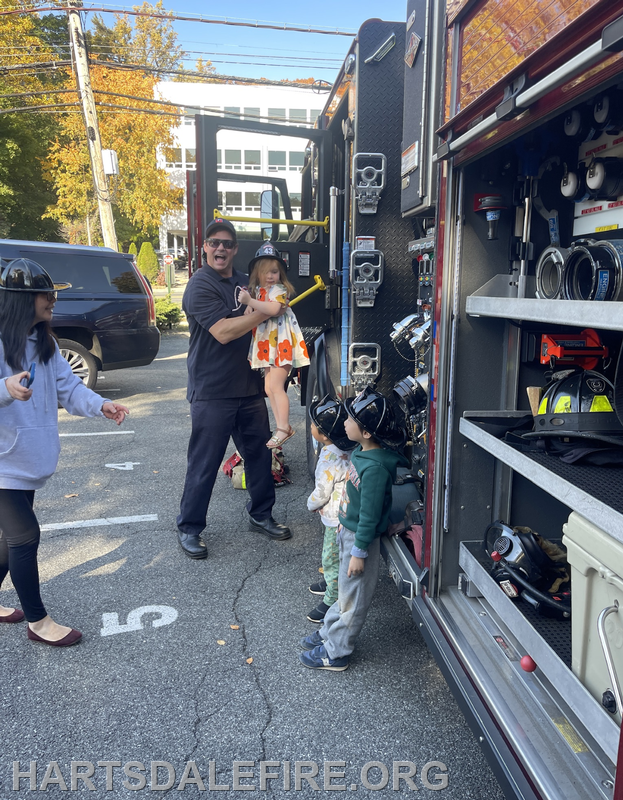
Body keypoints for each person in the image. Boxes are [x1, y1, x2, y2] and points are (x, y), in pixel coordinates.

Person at [0, 258, 129, 647]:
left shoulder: (45, 343)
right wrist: (4, 388)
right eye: (46, 293)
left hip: (27, 461)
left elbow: (68, 389)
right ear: (23, 299)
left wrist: (100, 405)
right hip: (2, 463)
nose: (53, 299)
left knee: (6, 544)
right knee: (24, 537)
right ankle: (38, 622)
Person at [176, 220, 292, 560]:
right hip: (212, 390)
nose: (220, 249)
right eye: (214, 243)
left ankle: (261, 514)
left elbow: (278, 302)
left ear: (235, 249)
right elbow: (225, 331)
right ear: (204, 247)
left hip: (249, 387)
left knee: (259, 456)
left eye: (227, 244)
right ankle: (189, 528)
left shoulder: (247, 282)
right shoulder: (199, 286)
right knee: (204, 463)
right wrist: (267, 311)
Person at [299, 387, 408, 670]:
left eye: (349, 420)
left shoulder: (374, 469)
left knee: (352, 599)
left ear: (367, 433)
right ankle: (328, 634)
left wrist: (359, 551)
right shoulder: (361, 452)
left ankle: (336, 652)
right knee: (345, 592)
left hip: (360, 541)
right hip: (348, 532)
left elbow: (370, 515)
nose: (343, 423)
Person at [237, 241, 310, 449]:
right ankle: (281, 426)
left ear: (281, 275)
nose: (271, 276)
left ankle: (283, 427)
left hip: (281, 345)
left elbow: (273, 308)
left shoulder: (278, 289)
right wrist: (250, 308)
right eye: (266, 272)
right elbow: (256, 312)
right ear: (257, 274)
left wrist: (250, 303)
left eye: (275, 272)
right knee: (269, 387)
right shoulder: (260, 291)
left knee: (276, 387)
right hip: (270, 346)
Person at [306, 395, 353, 624]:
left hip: (335, 518)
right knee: (333, 554)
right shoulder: (344, 448)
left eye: (314, 425)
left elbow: (322, 491)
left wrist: (311, 503)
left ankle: (331, 599)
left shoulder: (329, 459)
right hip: (342, 512)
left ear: (324, 435)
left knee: (332, 557)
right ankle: (330, 581)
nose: (311, 427)